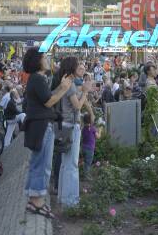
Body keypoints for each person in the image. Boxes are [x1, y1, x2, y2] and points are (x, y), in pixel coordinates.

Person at [23, 48, 72, 219]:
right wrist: (64, 89)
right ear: (37, 60)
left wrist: (60, 86)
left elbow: (48, 96)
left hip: (39, 126)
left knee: (38, 163)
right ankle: (37, 203)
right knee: (42, 165)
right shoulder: (37, 78)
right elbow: (49, 101)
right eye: (44, 57)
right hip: (42, 127)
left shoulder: (36, 79)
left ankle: (33, 198)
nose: (46, 59)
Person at [57, 57, 92, 207]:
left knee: (65, 164)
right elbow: (77, 106)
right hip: (71, 126)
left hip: (65, 126)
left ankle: (63, 197)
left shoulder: (66, 83)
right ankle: (71, 200)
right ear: (72, 67)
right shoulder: (70, 85)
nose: (80, 68)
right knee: (72, 164)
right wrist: (85, 91)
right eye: (78, 65)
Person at [82, 113, 100, 178]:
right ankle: (86, 176)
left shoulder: (83, 128)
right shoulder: (92, 128)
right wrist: (100, 131)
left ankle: (83, 173)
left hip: (83, 147)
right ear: (91, 120)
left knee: (84, 161)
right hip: (90, 149)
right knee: (88, 163)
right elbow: (98, 137)